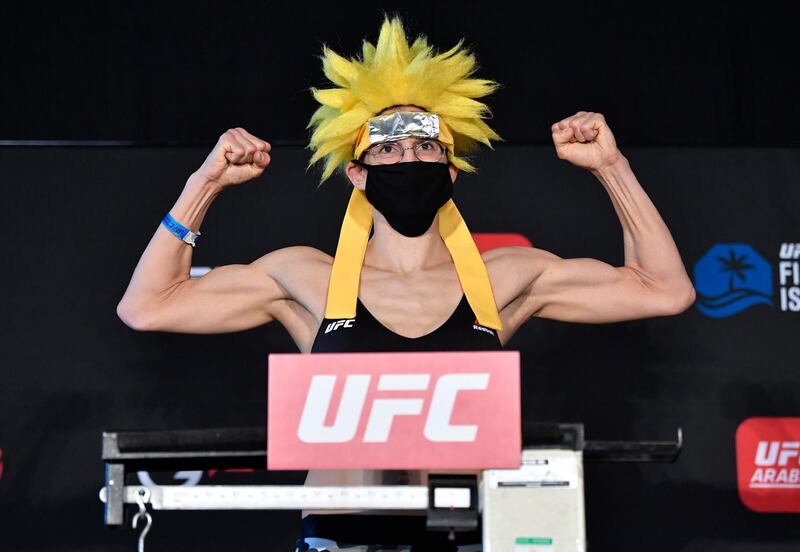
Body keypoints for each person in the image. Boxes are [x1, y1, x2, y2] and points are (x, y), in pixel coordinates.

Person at [116, 15, 696, 552]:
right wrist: (205, 182)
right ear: (357, 175)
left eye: (424, 146)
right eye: (388, 149)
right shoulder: (304, 275)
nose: (407, 159)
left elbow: (662, 289)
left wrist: (611, 168)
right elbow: (147, 306)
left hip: (466, 532)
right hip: (339, 537)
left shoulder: (506, 278)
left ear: (450, 171)